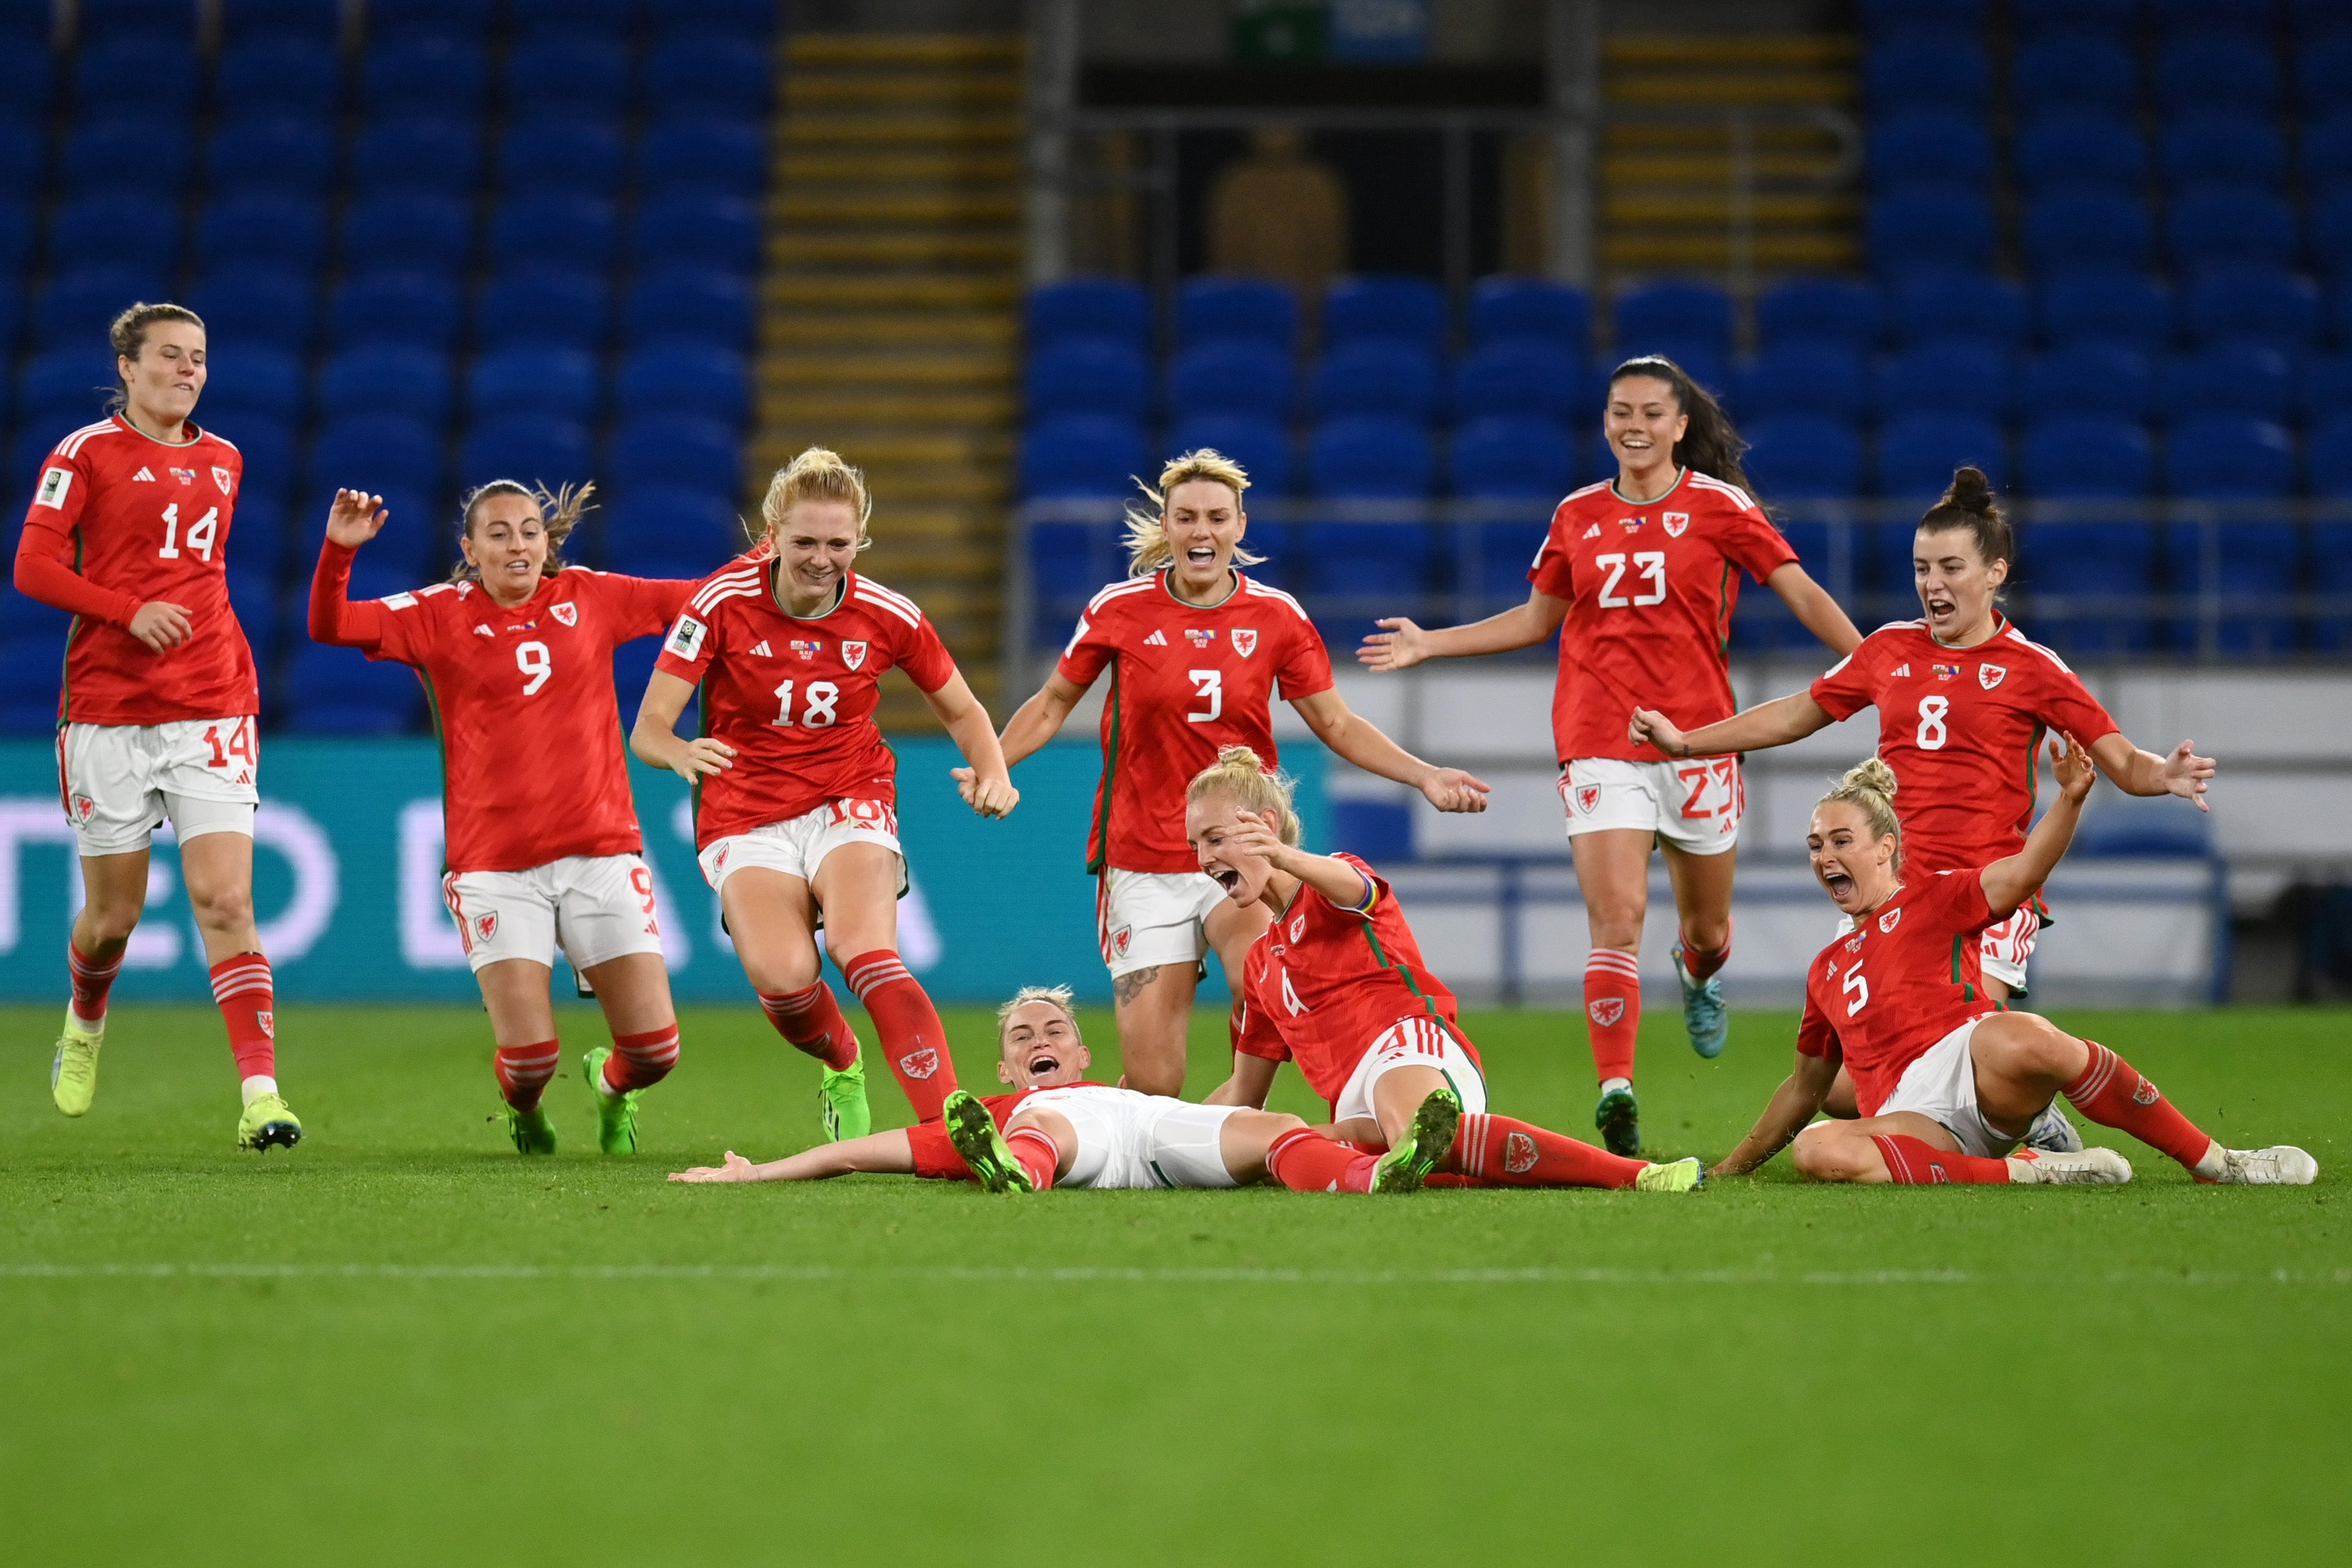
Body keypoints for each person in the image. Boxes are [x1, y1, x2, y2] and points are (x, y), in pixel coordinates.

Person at [1359, 356, 1861, 1157]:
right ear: (1605, 421)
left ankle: (1699, 974)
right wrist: (1432, 641)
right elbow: (1536, 621)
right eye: (1621, 410)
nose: (1635, 424)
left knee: (1706, 926)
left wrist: (1873, 664)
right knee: (1616, 918)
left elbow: (1798, 589)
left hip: (1700, 739)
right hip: (1600, 740)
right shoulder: (1577, 515)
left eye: (1651, 412)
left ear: (1680, 425)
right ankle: (1616, 1090)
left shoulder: (1719, 507)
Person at [1630, 466, 2218, 1148]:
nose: (1933, 584)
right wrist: (1687, 742)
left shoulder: (2033, 667)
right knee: (1850, 1089)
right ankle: (2024, 1124)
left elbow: (2120, 760)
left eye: (1950, 567)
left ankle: (2028, 1136)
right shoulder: (1889, 650)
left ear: (1995, 572)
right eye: (1920, 569)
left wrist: (2163, 774)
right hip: (1902, 903)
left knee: (1981, 1039)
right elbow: (1799, 712)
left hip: (1989, 892)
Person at [985, 447, 1489, 1100]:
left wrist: (1424, 775)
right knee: (1154, 1080)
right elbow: (1053, 702)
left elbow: (1335, 724)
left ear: (1240, 525)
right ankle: (1103, 1123)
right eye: (1188, 517)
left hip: (1242, 847)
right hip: (1142, 858)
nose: (1202, 531)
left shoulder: (1277, 616)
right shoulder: (1118, 609)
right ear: (1166, 527)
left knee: (1259, 977)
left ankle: (1238, 1120)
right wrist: (991, 766)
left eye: (1217, 517)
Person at [632, 447, 1016, 1136]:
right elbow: (649, 728)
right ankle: (842, 1060)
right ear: (772, 533)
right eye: (805, 541)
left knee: (863, 948)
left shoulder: (888, 613)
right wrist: (680, 750)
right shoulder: (719, 603)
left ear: (859, 541)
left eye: (838, 543)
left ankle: (948, 1130)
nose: (821, 557)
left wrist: (994, 771)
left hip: (850, 792)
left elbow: (963, 710)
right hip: (745, 811)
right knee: (782, 977)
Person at [1711, 751, 2315, 1187]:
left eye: (1841, 840)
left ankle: (2216, 1162)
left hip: (1974, 1062)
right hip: (1909, 1110)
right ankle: (2029, 1171)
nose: (1825, 857)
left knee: (2023, 1033)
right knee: (1818, 1148)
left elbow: (2023, 873)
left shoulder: (1934, 896)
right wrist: (1729, 1168)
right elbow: (1805, 1087)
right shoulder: (1825, 968)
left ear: (1886, 846)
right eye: (1816, 845)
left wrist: (2071, 800)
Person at [309, 482, 696, 1154]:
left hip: (601, 853)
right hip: (493, 867)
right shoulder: (436, 613)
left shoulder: (589, 595)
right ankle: (525, 1107)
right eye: (499, 532)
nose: (518, 544)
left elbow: (695, 598)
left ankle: (609, 1087)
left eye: (529, 531)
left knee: (657, 1051)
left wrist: (770, 562)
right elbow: (330, 625)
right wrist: (339, 552)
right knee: (529, 1063)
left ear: (546, 543)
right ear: (470, 548)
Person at [12, 301, 298, 1149]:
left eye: (199, 358)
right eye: (169, 356)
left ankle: (261, 1096)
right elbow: (32, 566)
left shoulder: (226, 458)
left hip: (211, 698)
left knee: (226, 896)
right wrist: (127, 611)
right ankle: (86, 1016)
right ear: (127, 369)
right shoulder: (84, 452)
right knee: (114, 918)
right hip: (107, 709)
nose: (187, 370)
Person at [1185, 746, 1705, 1196]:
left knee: (1410, 1129)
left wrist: (1283, 857)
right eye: (1195, 847)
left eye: (1214, 839)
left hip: (1407, 1044)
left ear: (1265, 827)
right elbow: (1242, 1094)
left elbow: (1355, 889)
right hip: (1353, 1101)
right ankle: (1443, 1161)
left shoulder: (1330, 880)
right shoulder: (1260, 964)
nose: (1204, 859)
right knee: (1281, 1148)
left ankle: (1636, 1175)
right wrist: (1158, 1126)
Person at [667, 984, 1308, 1191]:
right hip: (1068, 1144)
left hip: (1147, 1129)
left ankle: (1384, 1171)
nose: (1039, 1042)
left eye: (1054, 1031)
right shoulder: (997, 1109)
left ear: (1082, 1054)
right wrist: (755, 1174)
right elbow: (855, 1152)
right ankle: (1016, 1170)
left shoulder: (1131, 1096)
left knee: (1278, 1129)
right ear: (1005, 1069)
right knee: (1042, 1128)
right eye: (1022, 1037)